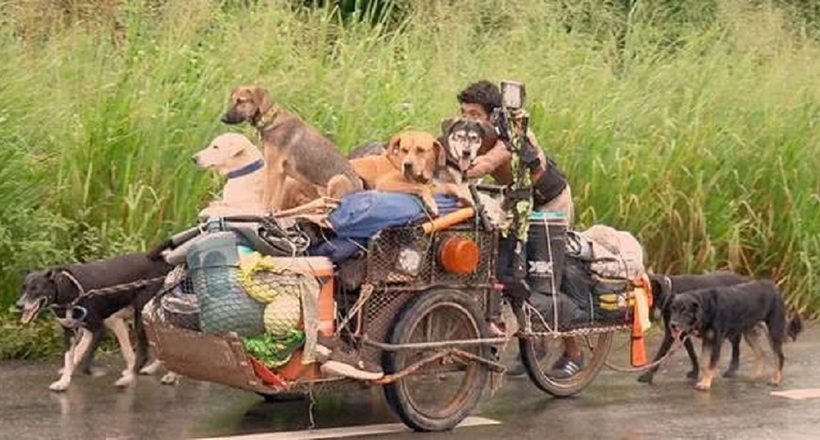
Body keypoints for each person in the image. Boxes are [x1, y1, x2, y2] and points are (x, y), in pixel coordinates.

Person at [456, 80, 583, 379]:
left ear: (492, 115)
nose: (468, 120)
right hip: (515, 202)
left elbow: (488, 162)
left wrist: (459, 171)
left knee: (547, 274)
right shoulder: (467, 136)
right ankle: (532, 346)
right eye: (464, 113)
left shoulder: (511, 131)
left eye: (475, 114)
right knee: (509, 272)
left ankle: (573, 351)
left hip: (548, 203)